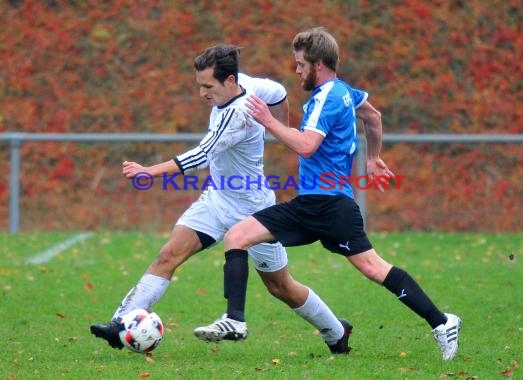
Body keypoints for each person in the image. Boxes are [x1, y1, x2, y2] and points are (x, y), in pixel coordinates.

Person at [207, 27, 462, 360]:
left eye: (300, 64)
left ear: (319, 64)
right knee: (237, 236)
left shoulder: (326, 97)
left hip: (330, 206)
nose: (296, 71)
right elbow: (373, 115)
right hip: (313, 203)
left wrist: (268, 120)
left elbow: (307, 146)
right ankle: (235, 321)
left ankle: (443, 322)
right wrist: (372, 157)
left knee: (373, 268)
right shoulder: (345, 91)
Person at [90, 44, 350, 354]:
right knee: (168, 255)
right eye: (199, 85)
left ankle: (337, 331)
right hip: (217, 200)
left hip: (255, 209)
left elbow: (201, 156)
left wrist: (149, 171)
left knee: (281, 286)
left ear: (229, 81)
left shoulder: (237, 115)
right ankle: (120, 324)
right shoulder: (250, 84)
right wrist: (280, 128)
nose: (202, 94)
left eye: (208, 86)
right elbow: (279, 90)